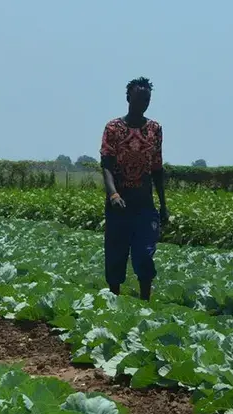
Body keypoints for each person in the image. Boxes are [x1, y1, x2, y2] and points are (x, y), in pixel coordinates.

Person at [99, 77, 169, 301]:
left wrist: (163, 205)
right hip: (119, 204)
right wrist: (113, 194)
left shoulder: (154, 130)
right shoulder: (113, 128)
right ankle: (114, 300)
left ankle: (145, 302)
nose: (144, 103)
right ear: (129, 98)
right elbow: (106, 166)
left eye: (147, 99)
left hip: (144, 203)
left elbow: (157, 168)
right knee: (116, 255)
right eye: (140, 98)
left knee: (145, 254)